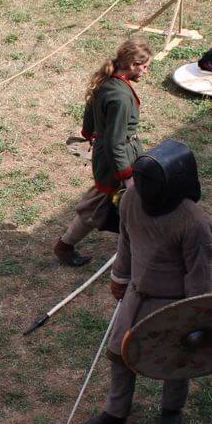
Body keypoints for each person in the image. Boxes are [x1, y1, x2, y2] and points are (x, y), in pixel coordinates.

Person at [79, 139, 212, 424]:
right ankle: (116, 410)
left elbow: (199, 276)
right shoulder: (131, 200)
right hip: (137, 294)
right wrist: (120, 277)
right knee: (120, 353)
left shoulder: (194, 223)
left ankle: (171, 408)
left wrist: (194, 315)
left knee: (176, 357)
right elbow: (126, 241)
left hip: (174, 303)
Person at [54, 37, 152, 267]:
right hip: (116, 159)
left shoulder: (106, 80)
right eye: (145, 67)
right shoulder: (120, 97)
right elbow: (116, 142)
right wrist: (126, 175)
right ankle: (64, 246)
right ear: (133, 65)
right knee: (98, 204)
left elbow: (90, 113)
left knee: (119, 202)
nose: (147, 72)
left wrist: (89, 132)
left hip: (111, 154)